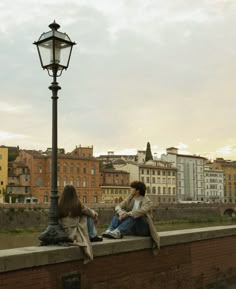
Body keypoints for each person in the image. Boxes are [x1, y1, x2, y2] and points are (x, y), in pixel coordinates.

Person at [102, 181, 160, 251]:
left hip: (143, 229)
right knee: (118, 212)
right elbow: (118, 206)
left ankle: (118, 232)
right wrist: (120, 212)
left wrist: (128, 214)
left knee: (136, 215)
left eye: (132, 188)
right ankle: (110, 230)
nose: (130, 189)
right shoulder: (130, 199)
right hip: (132, 228)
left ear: (137, 190)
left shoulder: (147, 202)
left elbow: (142, 211)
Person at [58, 185, 102, 264]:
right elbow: (90, 212)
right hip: (75, 233)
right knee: (86, 215)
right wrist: (95, 216)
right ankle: (93, 235)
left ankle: (92, 235)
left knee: (85, 214)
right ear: (74, 194)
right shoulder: (77, 204)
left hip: (65, 233)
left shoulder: (60, 205)